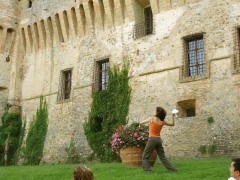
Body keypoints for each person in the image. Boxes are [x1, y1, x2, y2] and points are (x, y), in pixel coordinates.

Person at [139, 107, 177, 173]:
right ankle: (173, 169)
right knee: (162, 157)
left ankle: (148, 171)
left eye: (155, 111)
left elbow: (141, 122)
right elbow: (172, 124)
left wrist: (140, 125)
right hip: (158, 140)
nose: (154, 111)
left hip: (152, 139)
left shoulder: (152, 119)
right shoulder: (162, 121)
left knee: (144, 156)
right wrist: (173, 116)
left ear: (157, 112)